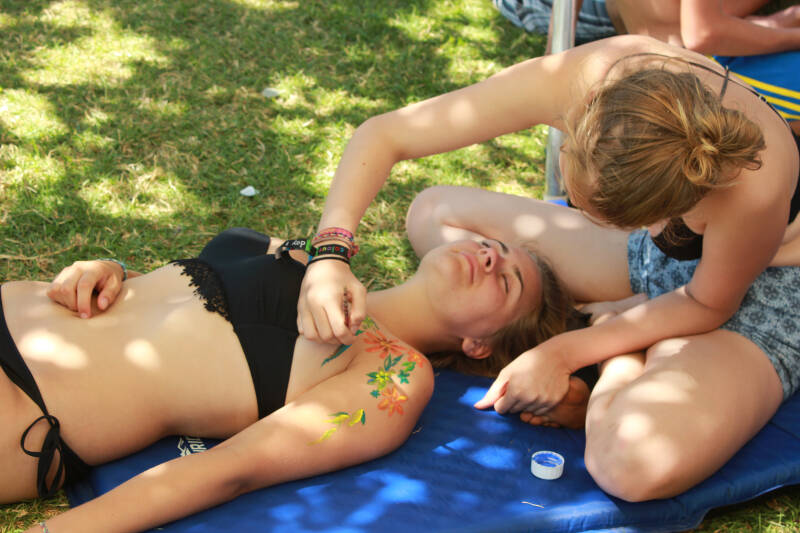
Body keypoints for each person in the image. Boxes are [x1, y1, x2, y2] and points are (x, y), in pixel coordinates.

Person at [297, 34, 800, 501]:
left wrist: (567, 351)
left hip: (763, 292)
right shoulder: (590, 75)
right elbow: (387, 134)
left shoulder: (753, 183)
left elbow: (708, 302)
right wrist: (330, 253)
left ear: (670, 208)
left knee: (630, 465)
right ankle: (623, 324)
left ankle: (619, 350)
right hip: (651, 261)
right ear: (580, 127)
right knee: (433, 212)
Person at [1, 226, 570, 533]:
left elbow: (231, 471)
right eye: (491, 245)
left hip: (27, 403)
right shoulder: (309, 254)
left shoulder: (394, 372)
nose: (490, 258)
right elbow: (162, 300)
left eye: (509, 280)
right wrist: (110, 270)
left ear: (481, 346)